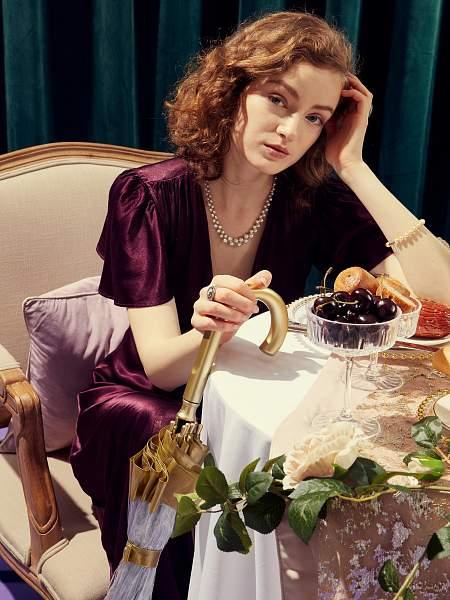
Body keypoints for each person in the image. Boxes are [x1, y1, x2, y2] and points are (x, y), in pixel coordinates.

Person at [70, 10, 450, 600]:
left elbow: (438, 295)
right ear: (232, 91)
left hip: (253, 381)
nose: (290, 131)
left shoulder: (308, 197)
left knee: (326, 455)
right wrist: (214, 329)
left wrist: (353, 166)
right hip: (148, 401)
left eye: (315, 117)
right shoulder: (148, 195)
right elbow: (162, 367)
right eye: (278, 99)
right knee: (205, 460)